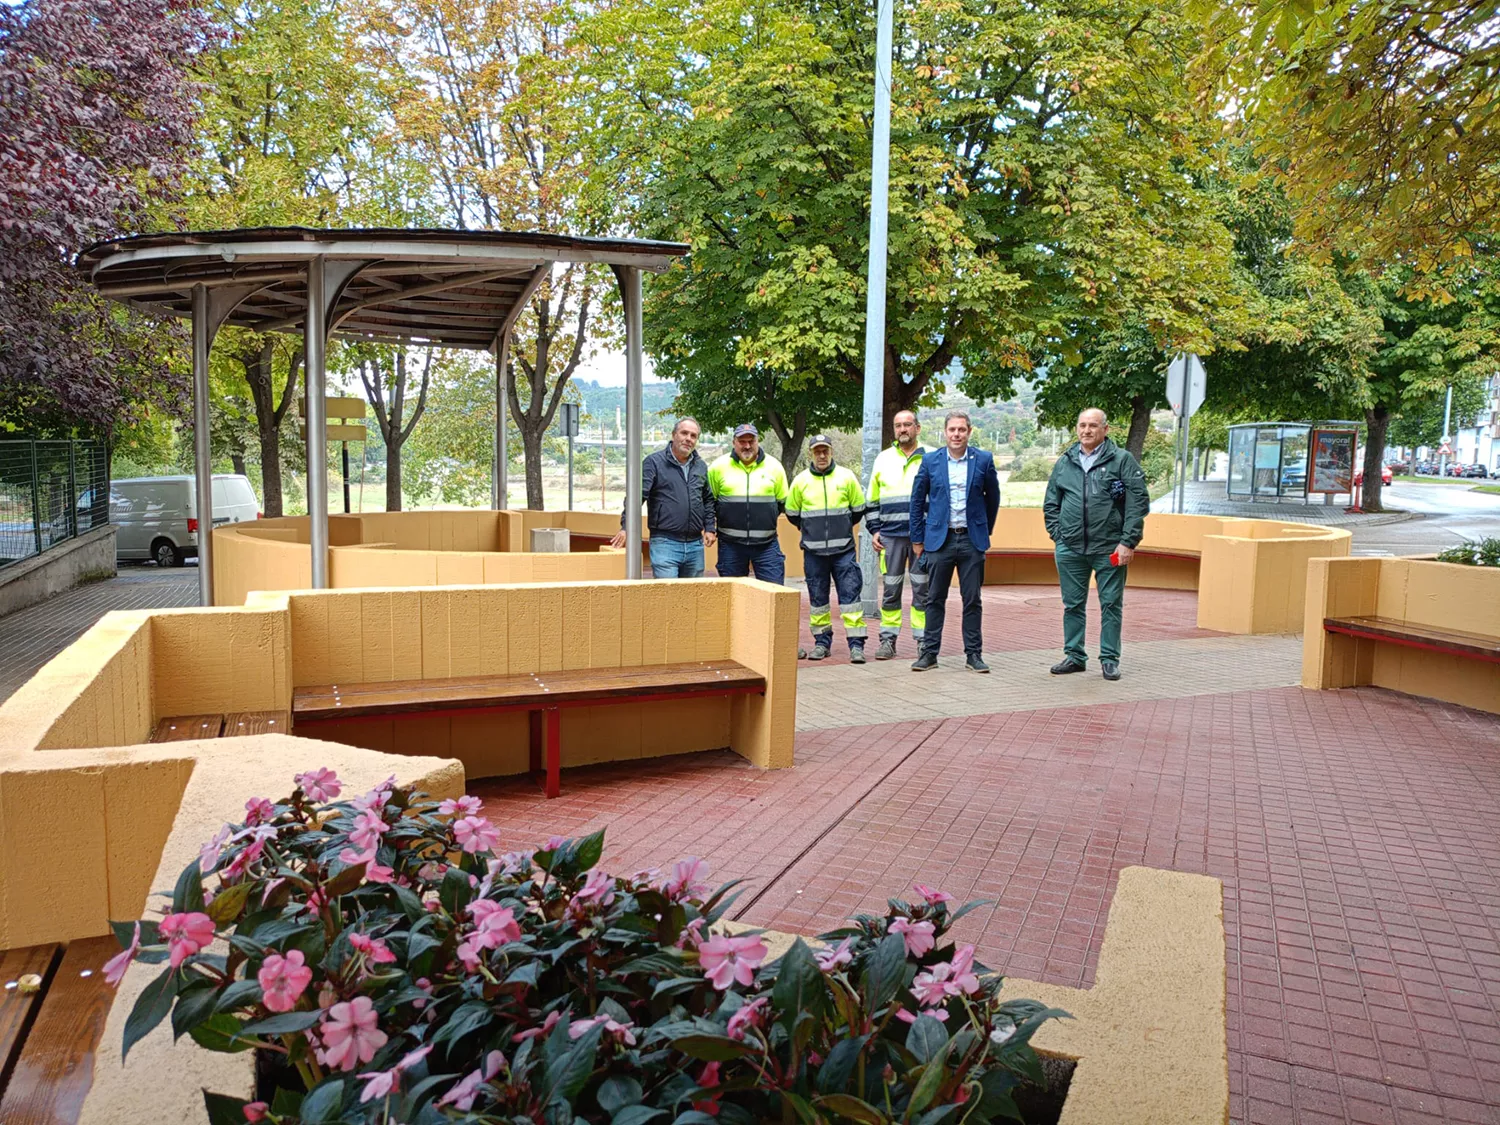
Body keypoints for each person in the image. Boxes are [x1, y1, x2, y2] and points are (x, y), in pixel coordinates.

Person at [1042, 408, 1149, 681]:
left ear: (1105, 429)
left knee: (1111, 604)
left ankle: (1109, 658)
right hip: (1070, 548)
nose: (1086, 430)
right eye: (1082, 425)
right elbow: (1051, 502)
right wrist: (1058, 535)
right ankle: (1075, 656)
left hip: (1109, 548)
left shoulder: (1122, 461)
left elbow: (1138, 503)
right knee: (1072, 605)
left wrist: (1127, 542)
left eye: (1092, 425)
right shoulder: (1065, 461)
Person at [907, 410, 1001, 673]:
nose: (957, 434)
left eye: (962, 430)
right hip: (939, 541)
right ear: (945, 432)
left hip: (972, 541)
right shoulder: (930, 461)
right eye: (952, 430)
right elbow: (916, 502)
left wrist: (984, 530)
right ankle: (929, 654)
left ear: (969, 432)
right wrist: (917, 538)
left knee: (972, 599)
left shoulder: (983, 459)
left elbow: (992, 499)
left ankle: (974, 655)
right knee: (934, 599)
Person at [786, 434, 869, 662]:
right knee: (818, 601)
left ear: (831, 452)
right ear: (811, 454)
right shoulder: (801, 481)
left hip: (843, 551)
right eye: (817, 451)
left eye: (825, 451)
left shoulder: (846, 477)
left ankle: (856, 645)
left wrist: (839, 529)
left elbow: (858, 509)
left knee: (851, 599)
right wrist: (812, 532)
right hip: (813, 553)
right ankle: (822, 644)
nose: (821, 455)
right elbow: (792, 513)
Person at [612, 417, 716, 577]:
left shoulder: (700, 466)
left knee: (693, 597)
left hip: (696, 544)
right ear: (674, 435)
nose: (688, 439)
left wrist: (709, 528)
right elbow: (636, 497)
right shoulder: (653, 463)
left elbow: (707, 499)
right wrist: (626, 527)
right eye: (684, 433)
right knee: (668, 596)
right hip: (665, 543)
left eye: (693, 436)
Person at [866, 409, 930, 660]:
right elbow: (871, 500)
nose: (902, 429)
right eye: (898, 426)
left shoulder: (932, 457)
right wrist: (874, 530)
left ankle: (924, 641)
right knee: (891, 590)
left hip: (922, 539)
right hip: (890, 537)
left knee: (922, 590)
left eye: (907, 425)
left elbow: (939, 499)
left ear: (917, 428)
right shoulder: (883, 459)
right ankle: (887, 640)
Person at [707, 423, 789, 584]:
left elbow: (781, 503)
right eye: (742, 441)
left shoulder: (775, 467)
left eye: (751, 441)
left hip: (767, 545)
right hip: (730, 546)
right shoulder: (717, 467)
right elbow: (709, 502)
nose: (747, 446)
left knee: (774, 594)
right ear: (733, 443)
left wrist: (763, 520)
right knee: (733, 598)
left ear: (758, 441)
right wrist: (710, 527)